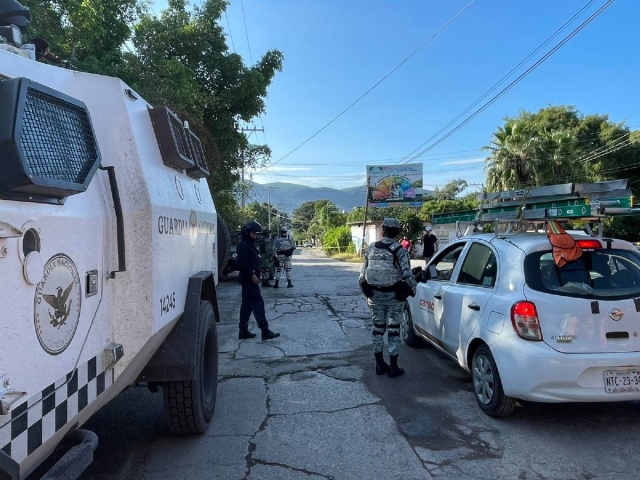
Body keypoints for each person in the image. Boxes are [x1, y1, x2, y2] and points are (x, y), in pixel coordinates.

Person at [359, 218, 417, 378]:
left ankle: (379, 365)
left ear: (383, 230)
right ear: (397, 232)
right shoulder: (400, 250)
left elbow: (362, 274)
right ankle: (393, 367)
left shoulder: (371, 248)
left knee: (377, 329)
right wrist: (413, 289)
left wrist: (366, 291)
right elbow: (407, 273)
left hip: (374, 295)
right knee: (393, 330)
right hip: (394, 296)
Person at [236, 220, 280, 341]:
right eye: (253, 233)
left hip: (249, 280)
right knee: (258, 304)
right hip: (249, 280)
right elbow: (242, 264)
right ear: (247, 233)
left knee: (246, 306)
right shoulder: (243, 246)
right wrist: (252, 275)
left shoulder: (250, 245)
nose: (255, 235)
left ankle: (243, 331)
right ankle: (265, 331)